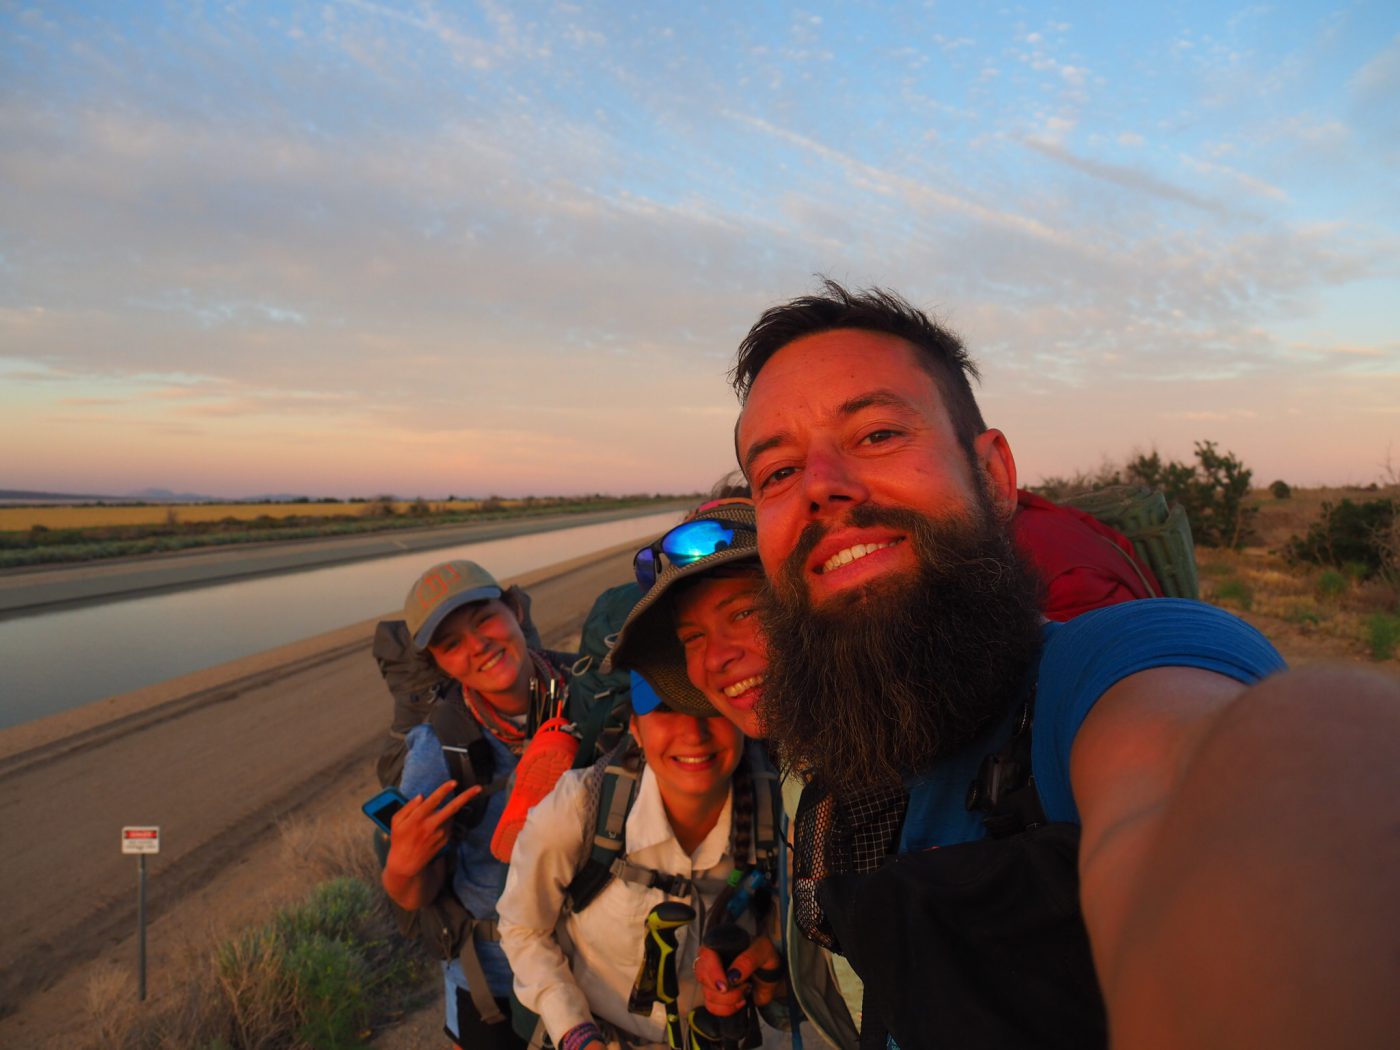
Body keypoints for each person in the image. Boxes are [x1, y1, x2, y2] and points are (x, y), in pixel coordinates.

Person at [722, 280, 1400, 1049]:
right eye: (777, 473)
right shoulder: (841, 748)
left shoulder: (1115, 664)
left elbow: (1209, 779)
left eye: (877, 434)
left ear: (993, 477)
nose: (820, 486)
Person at [608, 499, 860, 1050]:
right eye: (692, 638)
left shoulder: (906, 752)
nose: (715, 658)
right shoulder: (801, 777)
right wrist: (777, 971)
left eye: (744, 613)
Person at [497, 629, 788, 1050]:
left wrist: (769, 965)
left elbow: (802, 950)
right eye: (666, 708)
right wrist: (577, 1034)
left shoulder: (781, 810)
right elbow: (523, 928)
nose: (694, 734)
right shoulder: (580, 806)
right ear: (635, 727)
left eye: (710, 706)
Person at [382, 559, 570, 1050]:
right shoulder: (437, 749)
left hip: (599, 964)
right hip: (497, 983)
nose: (477, 646)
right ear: (438, 663)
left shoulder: (587, 692)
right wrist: (401, 867)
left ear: (514, 609)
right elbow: (414, 894)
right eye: (451, 644)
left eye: (484, 619)